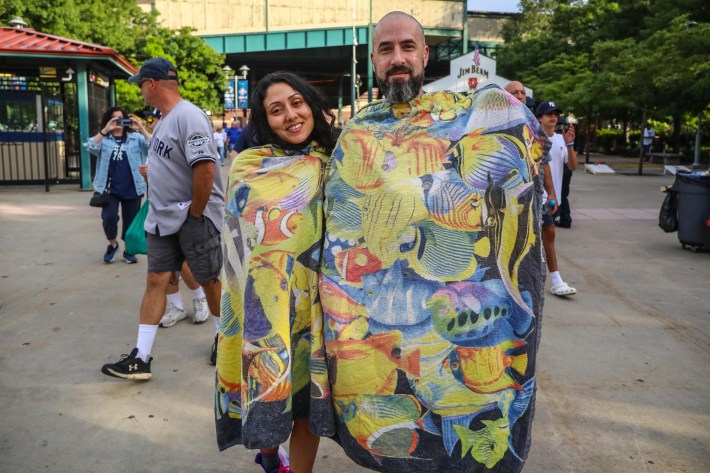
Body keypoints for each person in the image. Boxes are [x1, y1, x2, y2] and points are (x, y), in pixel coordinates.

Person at [320, 11, 549, 473]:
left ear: (425, 55)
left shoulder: (460, 116)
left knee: (467, 403)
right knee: (398, 420)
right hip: (386, 305)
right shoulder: (356, 133)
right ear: (374, 62)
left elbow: (516, 156)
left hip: (457, 299)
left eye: (408, 47)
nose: (398, 58)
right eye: (386, 49)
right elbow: (338, 223)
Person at [215, 71, 339, 473]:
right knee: (267, 393)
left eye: (296, 103)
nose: (290, 115)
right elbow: (240, 241)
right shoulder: (251, 165)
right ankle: (268, 454)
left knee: (307, 402)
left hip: (319, 305)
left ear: (311, 104)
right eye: (276, 110)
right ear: (264, 121)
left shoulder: (337, 160)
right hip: (267, 303)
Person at [101, 57, 224, 380]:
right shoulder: (165, 120)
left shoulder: (189, 116)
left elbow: (206, 169)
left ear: (152, 84)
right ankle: (140, 357)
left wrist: (196, 214)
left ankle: (225, 339)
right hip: (163, 217)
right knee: (156, 279)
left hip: (192, 216)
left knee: (209, 280)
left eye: (142, 84)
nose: (141, 91)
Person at [88, 107, 151, 264]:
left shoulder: (136, 137)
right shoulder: (105, 139)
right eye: (114, 119)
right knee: (108, 218)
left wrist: (142, 128)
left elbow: (153, 146)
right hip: (110, 188)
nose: (118, 122)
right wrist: (105, 130)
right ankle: (112, 244)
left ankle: (128, 250)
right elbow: (91, 147)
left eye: (121, 118)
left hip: (133, 186)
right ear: (109, 120)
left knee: (130, 222)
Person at [535, 101, 578, 295]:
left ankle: (549, 280)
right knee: (549, 233)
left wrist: (569, 144)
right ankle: (556, 280)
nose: (553, 117)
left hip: (553, 198)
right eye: (549, 114)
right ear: (539, 118)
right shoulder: (534, 139)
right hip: (539, 196)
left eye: (556, 114)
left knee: (546, 236)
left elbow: (573, 166)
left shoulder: (561, 140)